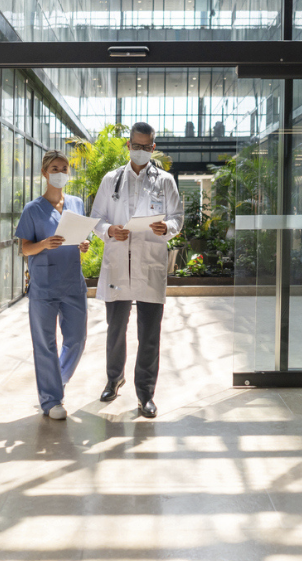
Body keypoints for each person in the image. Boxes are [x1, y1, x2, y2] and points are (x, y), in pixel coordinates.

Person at [90, 122, 183, 418]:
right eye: (136, 145)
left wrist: (166, 226)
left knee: (149, 334)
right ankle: (114, 378)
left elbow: (177, 217)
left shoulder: (165, 180)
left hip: (150, 263)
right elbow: (96, 218)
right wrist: (109, 230)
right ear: (128, 145)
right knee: (116, 330)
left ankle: (145, 393)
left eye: (146, 147)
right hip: (119, 263)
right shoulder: (111, 179)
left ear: (152, 148)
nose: (141, 151)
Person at [15, 150, 91, 420]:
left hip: (72, 281)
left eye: (65, 168)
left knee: (77, 339)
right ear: (45, 173)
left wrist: (84, 244)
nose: (60, 173)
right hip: (44, 286)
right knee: (45, 343)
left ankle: (56, 379)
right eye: (55, 168)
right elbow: (25, 249)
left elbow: (82, 237)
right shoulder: (32, 209)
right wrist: (44, 244)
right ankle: (51, 400)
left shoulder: (77, 204)